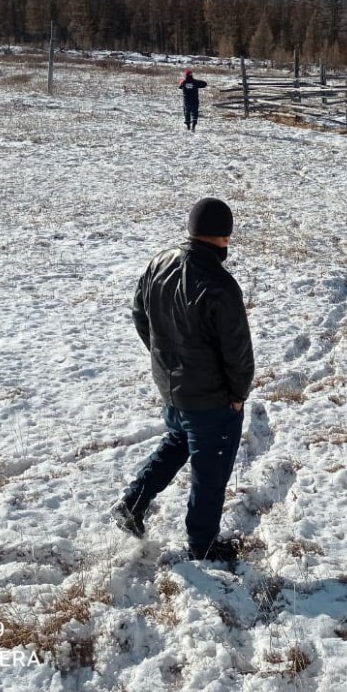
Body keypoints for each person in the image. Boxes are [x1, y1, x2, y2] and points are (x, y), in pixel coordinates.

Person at [111, 197, 255, 562]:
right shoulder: (220, 285)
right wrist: (238, 395)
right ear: (224, 237)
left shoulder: (159, 263)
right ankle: (203, 544)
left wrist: (165, 361)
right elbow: (237, 352)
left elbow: (140, 316)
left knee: (177, 440)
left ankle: (132, 504)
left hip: (174, 390)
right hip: (211, 399)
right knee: (210, 472)